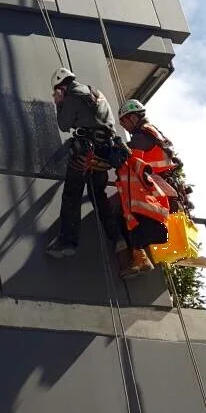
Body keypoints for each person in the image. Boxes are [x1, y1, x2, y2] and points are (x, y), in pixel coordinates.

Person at [45, 69, 128, 259]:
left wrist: (59, 104)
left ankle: (67, 242)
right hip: (104, 154)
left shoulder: (72, 97)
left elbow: (64, 125)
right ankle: (117, 238)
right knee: (99, 196)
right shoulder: (96, 93)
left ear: (61, 86)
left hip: (85, 152)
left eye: (57, 92)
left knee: (72, 195)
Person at [115, 99, 181, 275]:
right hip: (160, 186)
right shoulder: (152, 133)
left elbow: (131, 160)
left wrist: (118, 150)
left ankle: (139, 258)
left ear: (133, 117)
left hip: (152, 187)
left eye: (124, 122)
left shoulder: (142, 136)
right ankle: (141, 258)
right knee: (133, 218)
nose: (125, 127)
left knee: (131, 216)